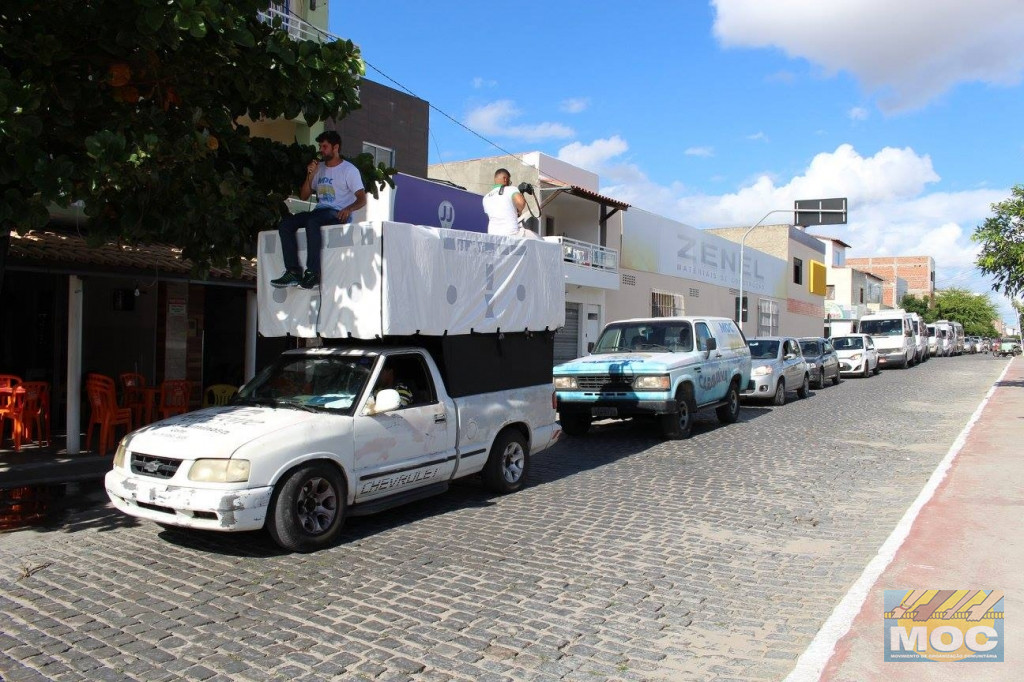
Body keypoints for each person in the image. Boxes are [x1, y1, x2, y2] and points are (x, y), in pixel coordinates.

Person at [271, 131, 366, 289]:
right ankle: (293, 271)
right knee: (286, 224)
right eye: (320, 146)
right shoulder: (319, 168)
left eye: (325, 146)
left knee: (312, 220)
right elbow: (303, 196)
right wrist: (310, 175)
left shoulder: (349, 170)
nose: (321, 150)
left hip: (337, 212)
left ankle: (313, 273)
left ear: (336, 147)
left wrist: (348, 209)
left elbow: (362, 198)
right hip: (320, 211)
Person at [482, 168, 539, 239]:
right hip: (512, 233)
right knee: (541, 241)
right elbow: (521, 204)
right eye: (509, 180)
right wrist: (520, 193)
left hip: (493, 235)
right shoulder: (511, 189)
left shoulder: (486, 197)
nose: (509, 183)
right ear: (505, 179)